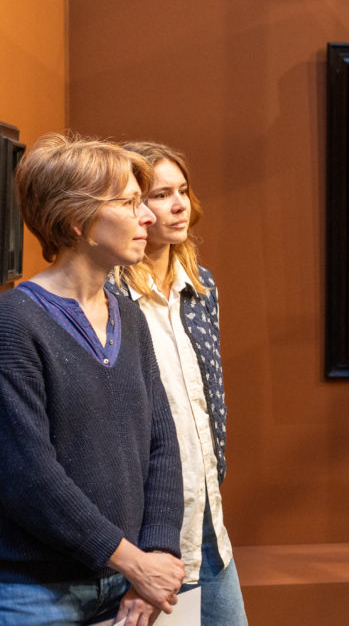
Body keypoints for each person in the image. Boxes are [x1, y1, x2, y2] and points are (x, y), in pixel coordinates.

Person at [0, 134, 185, 626]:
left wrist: (157, 556)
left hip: (129, 587)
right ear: (75, 222)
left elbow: (162, 443)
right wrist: (131, 559)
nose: (147, 216)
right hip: (38, 595)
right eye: (128, 203)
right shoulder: (14, 323)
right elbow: (28, 476)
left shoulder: (128, 312)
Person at [110, 141, 249, 625]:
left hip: (208, 522)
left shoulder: (201, 286)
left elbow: (206, 403)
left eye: (183, 191)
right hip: (144, 533)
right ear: (131, 207)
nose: (179, 205)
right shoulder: (109, 294)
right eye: (161, 194)